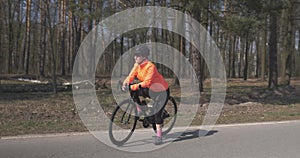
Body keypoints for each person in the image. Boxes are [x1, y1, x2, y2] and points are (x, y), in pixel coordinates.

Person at [122, 46, 169, 145]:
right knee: (133, 91)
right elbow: (131, 76)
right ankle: (140, 109)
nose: (135, 57)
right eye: (135, 55)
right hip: (151, 90)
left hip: (161, 92)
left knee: (156, 114)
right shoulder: (137, 65)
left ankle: (159, 136)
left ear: (144, 57)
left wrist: (133, 86)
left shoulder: (150, 66)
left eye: (138, 55)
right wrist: (125, 83)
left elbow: (147, 82)